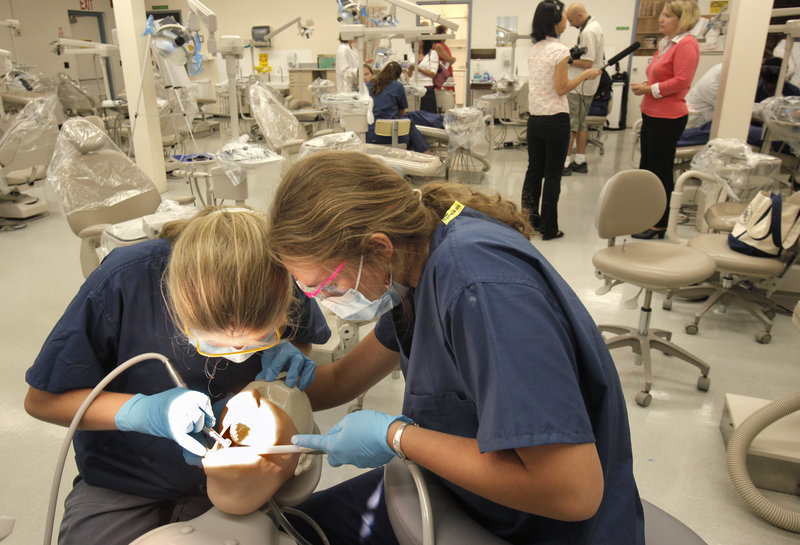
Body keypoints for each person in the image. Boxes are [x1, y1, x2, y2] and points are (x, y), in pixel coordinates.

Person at [267, 151, 645, 545]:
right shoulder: (412, 267)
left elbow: (572, 492)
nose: (326, 300)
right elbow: (344, 378)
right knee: (294, 527)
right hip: (464, 495)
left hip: (541, 528)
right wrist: (259, 366)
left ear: (378, 248)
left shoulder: (480, 290)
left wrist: (396, 436)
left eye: (327, 285)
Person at [24, 207, 330, 545]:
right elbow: (43, 401)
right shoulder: (127, 280)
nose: (238, 353)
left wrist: (286, 350)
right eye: (215, 342)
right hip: (125, 479)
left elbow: (302, 337)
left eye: (258, 339)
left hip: (236, 489)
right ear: (176, 303)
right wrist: (141, 412)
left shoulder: (279, 273)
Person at [522, 0, 602, 240]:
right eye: (563, 18)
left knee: (534, 171)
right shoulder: (560, 51)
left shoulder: (535, 49)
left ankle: (529, 221)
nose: (566, 21)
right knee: (553, 174)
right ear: (554, 22)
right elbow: (561, 88)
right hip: (555, 119)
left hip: (535, 119)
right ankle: (549, 228)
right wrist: (586, 74)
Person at [630, 0, 700, 239]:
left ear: (683, 19)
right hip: (651, 113)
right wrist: (647, 86)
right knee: (647, 169)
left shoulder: (687, 45)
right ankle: (648, 216)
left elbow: (681, 82)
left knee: (660, 171)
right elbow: (661, 77)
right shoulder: (667, 44)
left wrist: (650, 90)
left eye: (668, 15)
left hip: (668, 117)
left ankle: (660, 224)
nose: (661, 19)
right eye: (662, 14)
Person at [563, 2, 605, 175]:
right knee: (580, 124)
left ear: (579, 16)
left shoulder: (588, 31)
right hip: (587, 86)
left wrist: (567, 59)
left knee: (570, 125)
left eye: (571, 21)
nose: (570, 25)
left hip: (579, 87)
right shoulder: (593, 27)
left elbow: (587, 62)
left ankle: (564, 163)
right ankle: (580, 160)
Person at [366, 61, 430, 153]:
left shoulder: (368, 85)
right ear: (398, 76)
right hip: (392, 135)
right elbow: (402, 112)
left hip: (372, 135)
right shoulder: (398, 86)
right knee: (408, 123)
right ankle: (426, 154)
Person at [408, 38, 439, 113]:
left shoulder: (432, 53)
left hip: (427, 87)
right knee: (412, 113)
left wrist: (418, 69)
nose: (417, 41)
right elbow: (409, 74)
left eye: (419, 40)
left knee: (427, 114)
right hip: (413, 86)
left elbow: (433, 74)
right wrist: (411, 70)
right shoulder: (411, 53)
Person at [432, 24, 456, 91]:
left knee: (450, 93)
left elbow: (449, 60)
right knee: (446, 94)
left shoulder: (444, 45)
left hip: (447, 71)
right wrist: (451, 60)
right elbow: (451, 60)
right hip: (443, 74)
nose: (446, 35)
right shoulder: (438, 46)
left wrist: (449, 61)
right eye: (445, 33)